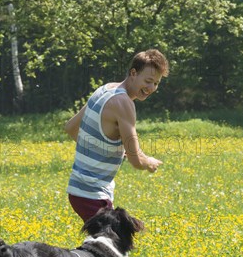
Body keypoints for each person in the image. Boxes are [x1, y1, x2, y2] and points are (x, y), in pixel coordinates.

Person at [65, 49, 169, 221]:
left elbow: (71, 127)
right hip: (92, 194)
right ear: (133, 73)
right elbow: (137, 161)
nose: (151, 88)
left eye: (156, 83)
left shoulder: (105, 89)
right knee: (112, 246)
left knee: (106, 244)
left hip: (80, 190)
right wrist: (148, 162)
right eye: (148, 81)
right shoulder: (124, 103)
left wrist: (106, 149)